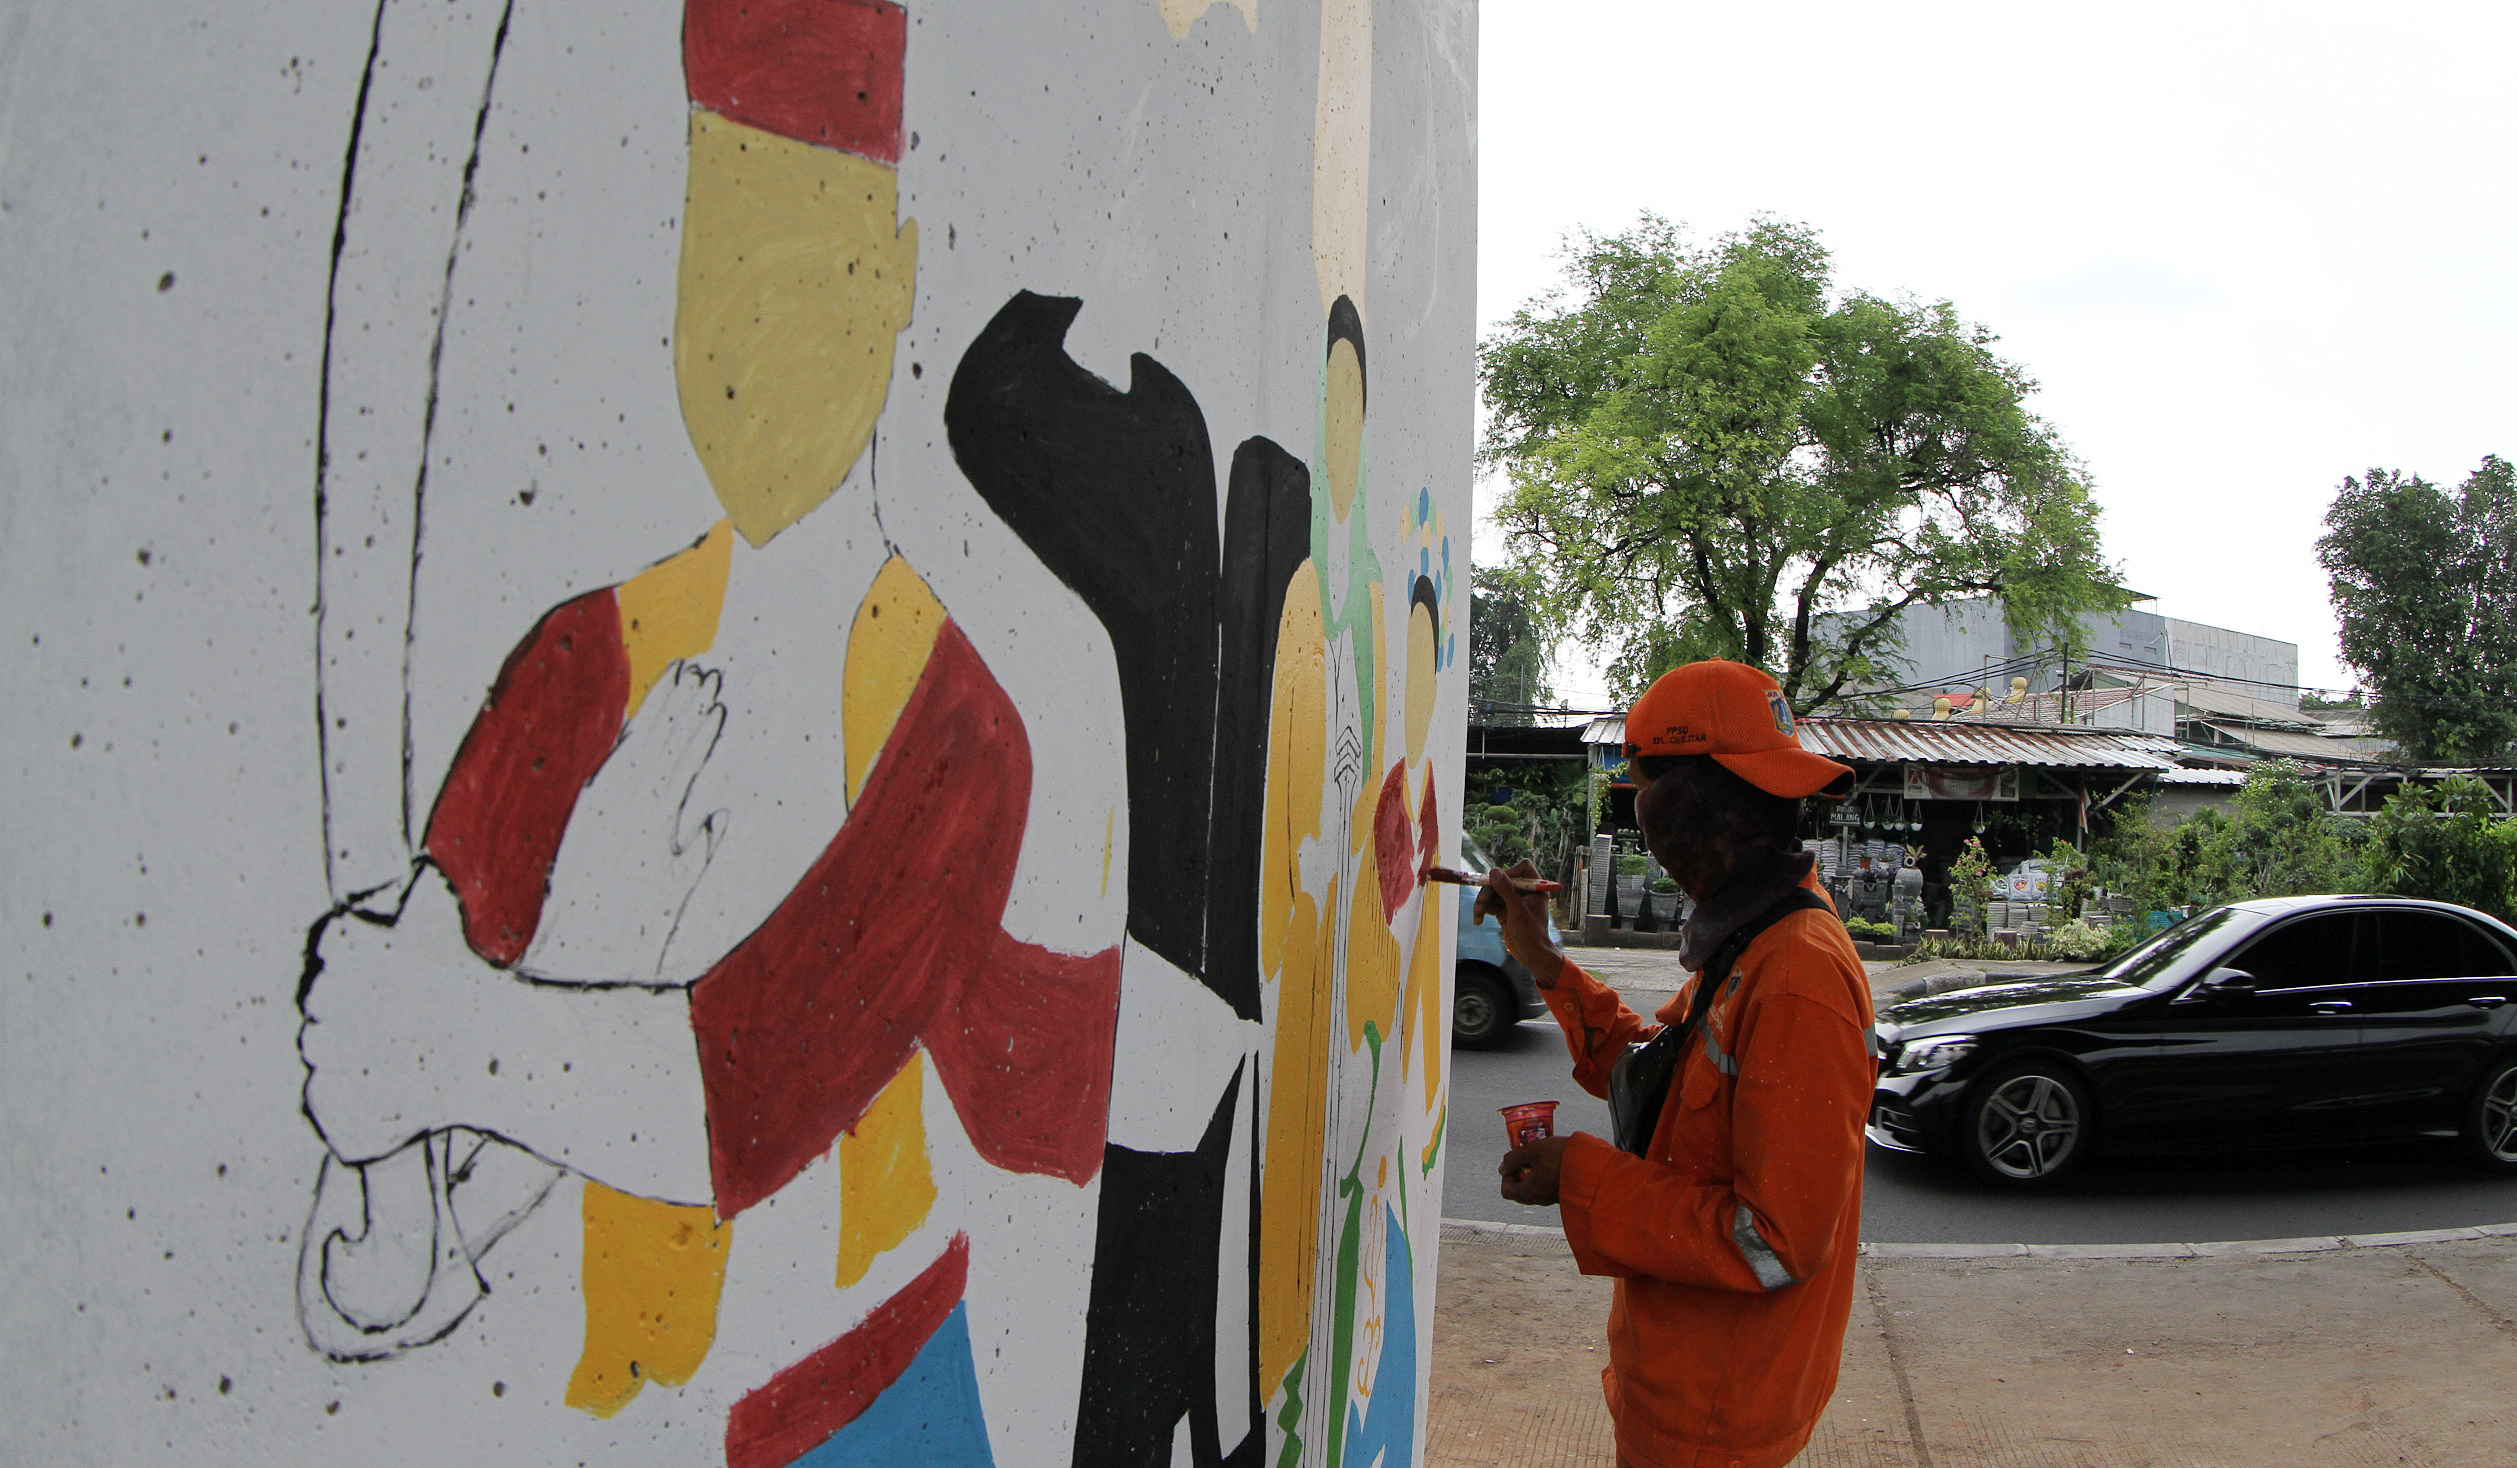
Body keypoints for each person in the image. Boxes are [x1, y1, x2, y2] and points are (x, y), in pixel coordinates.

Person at [1476, 659, 1871, 1468]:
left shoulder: (1794, 975)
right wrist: (1543, 960)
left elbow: (1774, 1241)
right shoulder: (1750, 941)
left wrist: (1582, 1179)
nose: (1647, 830)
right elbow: (1655, 1078)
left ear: (1695, 809)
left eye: (1647, 794)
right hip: (1681, 1382)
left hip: (1717, 1412)